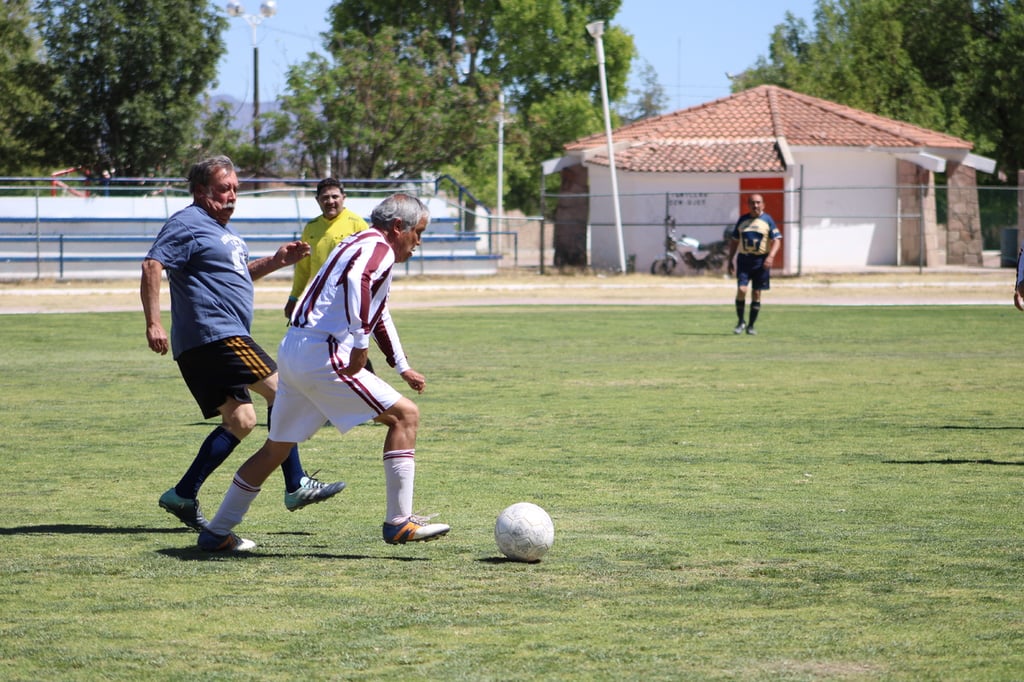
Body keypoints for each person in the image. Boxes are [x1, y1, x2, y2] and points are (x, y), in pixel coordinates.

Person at [196, 193, 450, 552]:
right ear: (398, 228)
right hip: (322, 352)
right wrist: (360, 344)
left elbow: (379, 311)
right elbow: (358, 283)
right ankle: (399, 523)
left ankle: (216, 532)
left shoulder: (357, 242)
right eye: (418, 232)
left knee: (276, 450)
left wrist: (401, 365)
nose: (418, 242)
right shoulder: (378, 248)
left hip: (294, 350)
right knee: (405, 417)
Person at [140, 155, 346, 532]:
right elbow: (153, 264)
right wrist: (153, 322)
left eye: (235, 188)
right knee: (286, 391)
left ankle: (182, 494)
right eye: (224, 189)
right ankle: (296, 483)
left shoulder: (223, 232)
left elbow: (238, 276)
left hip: (210, 341)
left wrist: (277, 261)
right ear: (202, 191)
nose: (232, 196)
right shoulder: (187, 222)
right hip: (215, 334)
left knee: (241, 420)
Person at [284, 178, 369, 319]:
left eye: (335, 196)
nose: (330, 201)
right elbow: (303, 268)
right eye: (325, 197)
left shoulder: (358, 225)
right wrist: (293, 297)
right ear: (317, 200)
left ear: (344, 198)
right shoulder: (311, 227)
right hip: (318, 298)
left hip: (348, 298)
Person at [727, 194, 782, 335]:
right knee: (742, 290)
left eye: (758, 203)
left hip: (761, 261)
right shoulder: (742, 220)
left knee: (756, 293)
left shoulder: (767, 220)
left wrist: (770, 257)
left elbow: (777, 240)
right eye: (752, 203)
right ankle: (740, 322)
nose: (755, 206)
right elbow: (734, 240)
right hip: (744, 260)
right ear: (748, 204)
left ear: (763, 204)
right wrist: (730, 260)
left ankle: (751, 326)